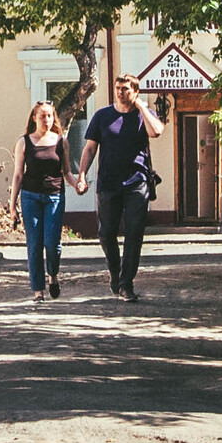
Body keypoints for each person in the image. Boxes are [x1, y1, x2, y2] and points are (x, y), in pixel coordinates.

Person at [78, 76, 163, 301]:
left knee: (134, 233)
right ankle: (115, 273)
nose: (120, 93)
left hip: (137, 182)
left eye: (125, 89)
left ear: (135, 92)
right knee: (106, 234)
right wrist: (82, 175)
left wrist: (142, 107)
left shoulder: (142, 116)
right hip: (108, 182)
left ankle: (127, 284)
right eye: (117, 89)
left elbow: (156, 132)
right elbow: (90, 148)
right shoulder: (102, 116)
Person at [10, 101, 83, 301]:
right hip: (30, 197)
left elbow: (67, 172)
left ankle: (53, 275)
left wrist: (77, 184)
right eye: (42, 116)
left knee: (52, 243)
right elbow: (17, 174)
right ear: (34, 118)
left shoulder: (61, 142)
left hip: (54, 197)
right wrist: (12, 205)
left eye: (49, 116)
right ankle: (38, 291)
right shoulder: (24, 142)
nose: (46, 120)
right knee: (34, 245)